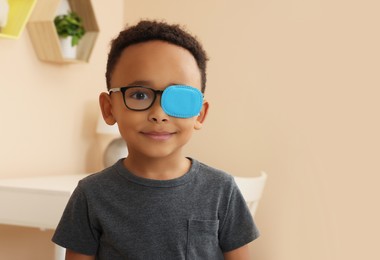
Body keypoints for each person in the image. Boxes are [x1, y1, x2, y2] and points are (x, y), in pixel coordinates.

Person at [52, 20, 259, 260]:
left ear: (200, 114)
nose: (159, 114)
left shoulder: (221, 190)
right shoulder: (91, 195)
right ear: (109, 109)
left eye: (179, 97)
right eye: (139, 95)